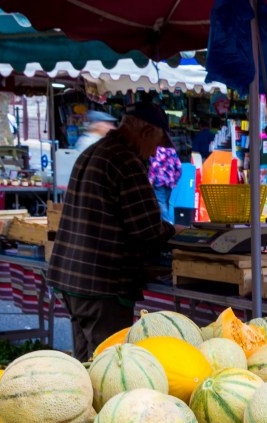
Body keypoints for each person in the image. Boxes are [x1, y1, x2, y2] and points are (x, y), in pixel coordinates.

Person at [49, 102, 177, 360]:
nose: (155, 153)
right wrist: (177, 232)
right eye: (157, 144)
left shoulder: (95, 150)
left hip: (72, 277)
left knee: (87, 362)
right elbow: (146, 230)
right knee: (109, 364)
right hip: (102, 284)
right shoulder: (126, 160)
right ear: (146, 132)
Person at [149, 146, 182, 223]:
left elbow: (154, 167)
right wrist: (175, 180)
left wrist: (150, 181)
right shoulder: (172, 151)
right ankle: (164, 223)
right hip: (170, 182)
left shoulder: (156, 150)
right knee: (166, 203)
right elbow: (179, 167)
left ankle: (168, 222)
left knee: (161, 203)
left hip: (159, 181)